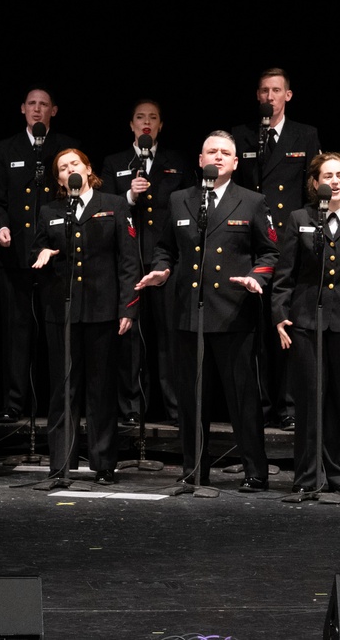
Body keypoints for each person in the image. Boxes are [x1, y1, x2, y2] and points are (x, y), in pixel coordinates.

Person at [137, 131, 277, 491]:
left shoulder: (252, 201)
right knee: (191, 400)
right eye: (210, 151)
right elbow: (165, 247)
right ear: (200, 160)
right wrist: (162, 269)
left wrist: (254, 278)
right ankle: (194, 469)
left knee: (243, 399)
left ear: (234, 162)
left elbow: (270, 252)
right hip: (189, 314)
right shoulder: (181, 199)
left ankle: (255, 472)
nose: (216, 157)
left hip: (233, 312)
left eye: (224, 152)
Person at [31, 149, 138, 483]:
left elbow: (128, 261)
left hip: (102, 310)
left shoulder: (114, 204)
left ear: (88, 169)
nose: (69, 170)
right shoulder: (50, 210)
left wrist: (127, 307)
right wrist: (44, 252)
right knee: (63, 389)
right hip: (61, 312)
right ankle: (60, 464)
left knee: (101, 388)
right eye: (62, 168)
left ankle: (104, 463)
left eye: (74, 164)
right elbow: (33, 251)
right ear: (59, 179)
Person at [232, 68, 321, 432]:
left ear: (288, 95)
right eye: (264, 91)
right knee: (255, 330)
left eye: (277, 91)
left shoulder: (305, 134)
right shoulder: (242, 136)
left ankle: (287, 405)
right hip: (252, 239)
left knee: (285, 323)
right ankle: (262, 405)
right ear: (258, 96)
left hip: (288, 239)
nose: (270, 97)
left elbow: (311, 190)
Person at [0, 88, 81, 425]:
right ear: (22, 109)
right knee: (16, 331)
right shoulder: (5, 148)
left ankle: (62, 401)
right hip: (16, 257)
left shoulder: (65, 147)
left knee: (57, 332)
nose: (37, 110)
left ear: (53, 110)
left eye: (44, 105)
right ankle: (14, 402)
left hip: (55, 256)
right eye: (32, 104)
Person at [100, 100, 194, 426]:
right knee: (130, 340)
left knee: (170, 339)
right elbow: (103, 209)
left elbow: (188, 208)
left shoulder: (176, 162)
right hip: (127, 261)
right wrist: (128, 196)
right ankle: (131, 410)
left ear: (160, 125)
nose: (146, 123)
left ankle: (175, 410)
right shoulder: (115, 163)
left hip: (166, 262)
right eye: (140, 117)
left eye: (153, 117)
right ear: (131, 124)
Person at [271, 152, 340, 493]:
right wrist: (280, 315)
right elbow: (285, 274)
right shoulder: (300, 217)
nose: (335, 181)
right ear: (315, 183)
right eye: (328, 176)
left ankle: (337, 475)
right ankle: (308, 478)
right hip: (306, 321)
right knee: (310, 400)